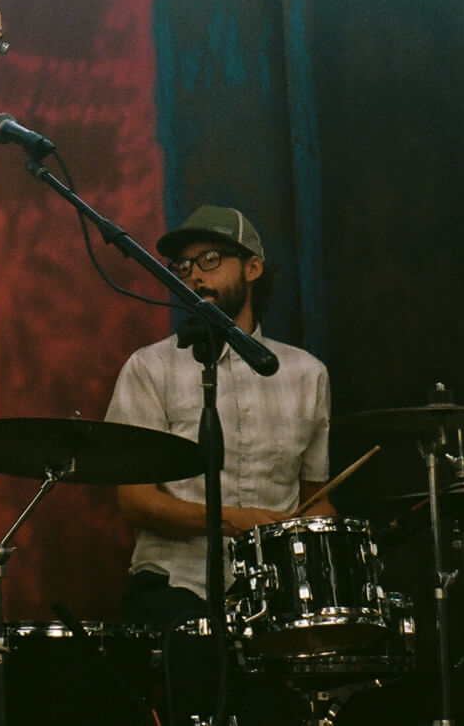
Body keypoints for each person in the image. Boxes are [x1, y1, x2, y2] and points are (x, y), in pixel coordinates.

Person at [104, 204, 332, 722]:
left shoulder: (306, 373)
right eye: (184, 266)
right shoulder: (150, 367)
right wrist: (239, 522)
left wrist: (333, 555)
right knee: (197, 649)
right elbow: (134, 501)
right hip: (175, 584)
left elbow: (316, 498)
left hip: (274, 594)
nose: (195, 275)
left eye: (210, 259)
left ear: (252, 267)